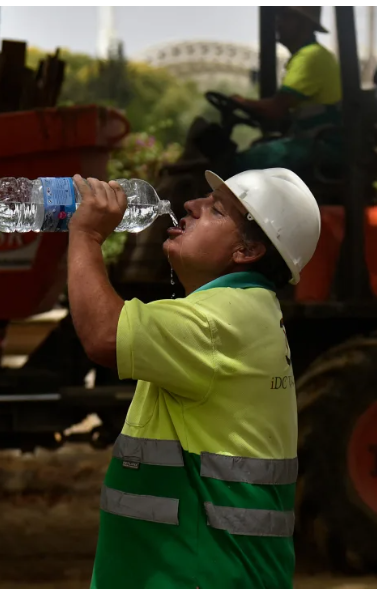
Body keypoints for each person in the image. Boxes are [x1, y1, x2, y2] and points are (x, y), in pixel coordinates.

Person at [66, 167, 322, 588]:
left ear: (247, 250)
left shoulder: (221, 320)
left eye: (216, 210)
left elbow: (102, 336)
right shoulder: (242, 311)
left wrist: (87, 236)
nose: (190, 205)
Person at [231, 6, 343, 174]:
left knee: (244, 163)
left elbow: (276, 109)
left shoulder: (310, 57)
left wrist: (241, 102)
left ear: (305, 24)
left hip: (322, 146)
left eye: (285, 17)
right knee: (259, 150)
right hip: (316, 142)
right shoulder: (311, 55)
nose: (278, 23)